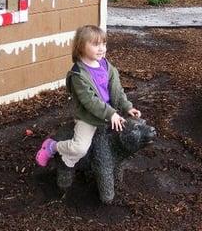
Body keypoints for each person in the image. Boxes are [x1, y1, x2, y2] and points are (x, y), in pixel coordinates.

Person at [35, 25, 141, 168]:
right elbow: (90, 101)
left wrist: (127, 106)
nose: (102, 48)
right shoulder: (78, 75)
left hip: (110, 113)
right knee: (79, 148)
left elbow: (117, 90)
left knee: (123, 138)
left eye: (104, 44)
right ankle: (52, 147)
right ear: (80, 46)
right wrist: (111, 114)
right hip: (89, 117)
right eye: (96, 44)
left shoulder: (105, 66)